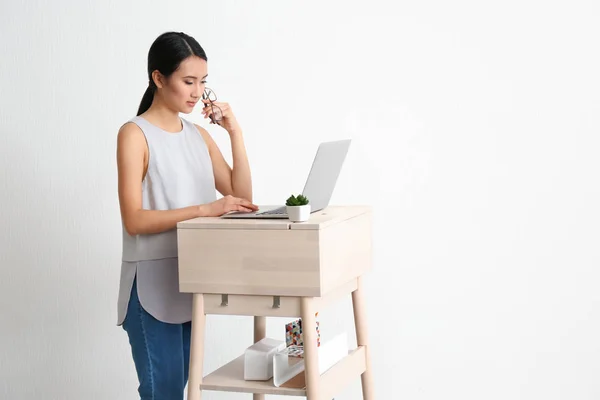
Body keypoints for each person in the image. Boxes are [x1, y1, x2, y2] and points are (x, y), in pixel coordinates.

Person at [115, 31, 258, 399]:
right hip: (150, 284)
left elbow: (240, 198)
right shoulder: (134, 134)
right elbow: (133, 219)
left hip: (191, 278)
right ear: (158, 78)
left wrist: (234, 133)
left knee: (179, 390)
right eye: (188, 81)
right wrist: (205, 211)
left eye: (202, 82)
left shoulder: (198, 135)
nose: (197, 92)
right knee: (162, 391)